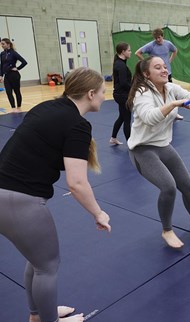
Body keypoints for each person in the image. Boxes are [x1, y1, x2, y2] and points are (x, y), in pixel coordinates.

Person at [0, 67, 112, 322]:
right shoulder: (77, 125)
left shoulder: (46, 108)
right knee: (47, 267)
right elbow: (77, 183)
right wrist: (99, 213)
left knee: (37, 260)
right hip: (20, 201)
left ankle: (38, 315)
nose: (105, 97)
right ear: (91, 93)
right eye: (103, 92)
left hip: (4, 195)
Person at [126, 56, 190, 249]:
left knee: (187, 186)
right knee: (168, 187)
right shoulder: (142, 93)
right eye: (157, 68)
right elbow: (150, 118)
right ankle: (167, 230)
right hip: (142, 150)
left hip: (163, 146)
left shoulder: (170, 88)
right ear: (146, 74)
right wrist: (176, 104)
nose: (164, 70)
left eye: (165, 66)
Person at [135, 28, 183, 120]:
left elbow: (175, 50)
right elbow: (137, 53)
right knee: (158, 93)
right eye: (156, 38)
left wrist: (169, 61)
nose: (157, 39)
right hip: (156, 75)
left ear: (162, 36)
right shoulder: (151, 45)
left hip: (167, 73)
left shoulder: (168, 44)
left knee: (170, 92)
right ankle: (160, 111)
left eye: (159, 37)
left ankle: (174, 113)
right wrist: (147, 64)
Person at [110, 42, 132, 145]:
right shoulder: (121, 65)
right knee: (127, 119)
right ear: (123, 52)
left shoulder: (120, 63)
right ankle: (130, 143)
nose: (130, 52)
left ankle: (113, 138)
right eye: (129, 50)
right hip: (122, 96)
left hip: (119, 94)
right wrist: (134, 89)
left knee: (122, 117)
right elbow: (123, 83)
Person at [0, 38, 27, 112]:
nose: (2, 45)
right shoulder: (2, 54)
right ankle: (13, 108)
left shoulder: (13, 53)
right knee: (8, 92)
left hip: (14, 75)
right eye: (1, 44)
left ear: (8, 44)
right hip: (7, 76)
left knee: (17, 91)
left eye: (3, 44)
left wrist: (17, 68)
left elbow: (24, 62)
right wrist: (1, 75)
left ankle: (19, 107)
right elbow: (2, 65)